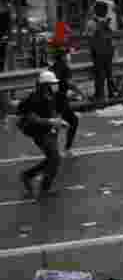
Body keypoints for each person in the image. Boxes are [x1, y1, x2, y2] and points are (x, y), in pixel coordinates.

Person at [17, 71, 68, 199]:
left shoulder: (51, 96)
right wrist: (51, 121)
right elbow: (32, 118)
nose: (55, 86)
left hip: (50, 130)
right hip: (39, 132)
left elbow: (53, 111)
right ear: (44, 85)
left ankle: (28, 175)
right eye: (52, 84)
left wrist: (58, 122)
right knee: (54, 158)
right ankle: (43, 188)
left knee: (53, 159)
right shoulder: (35, 99)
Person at [50, 44, 85, 157]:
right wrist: (80, 92)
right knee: (72, 121)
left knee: (56, 124)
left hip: (52, 100)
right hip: (60, 100)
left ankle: (55, 149)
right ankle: (66, 149)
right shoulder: (65, 67)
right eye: (68, 54)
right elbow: (69, 83)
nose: (70, 56)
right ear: (63, 56)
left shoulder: (52, 67)